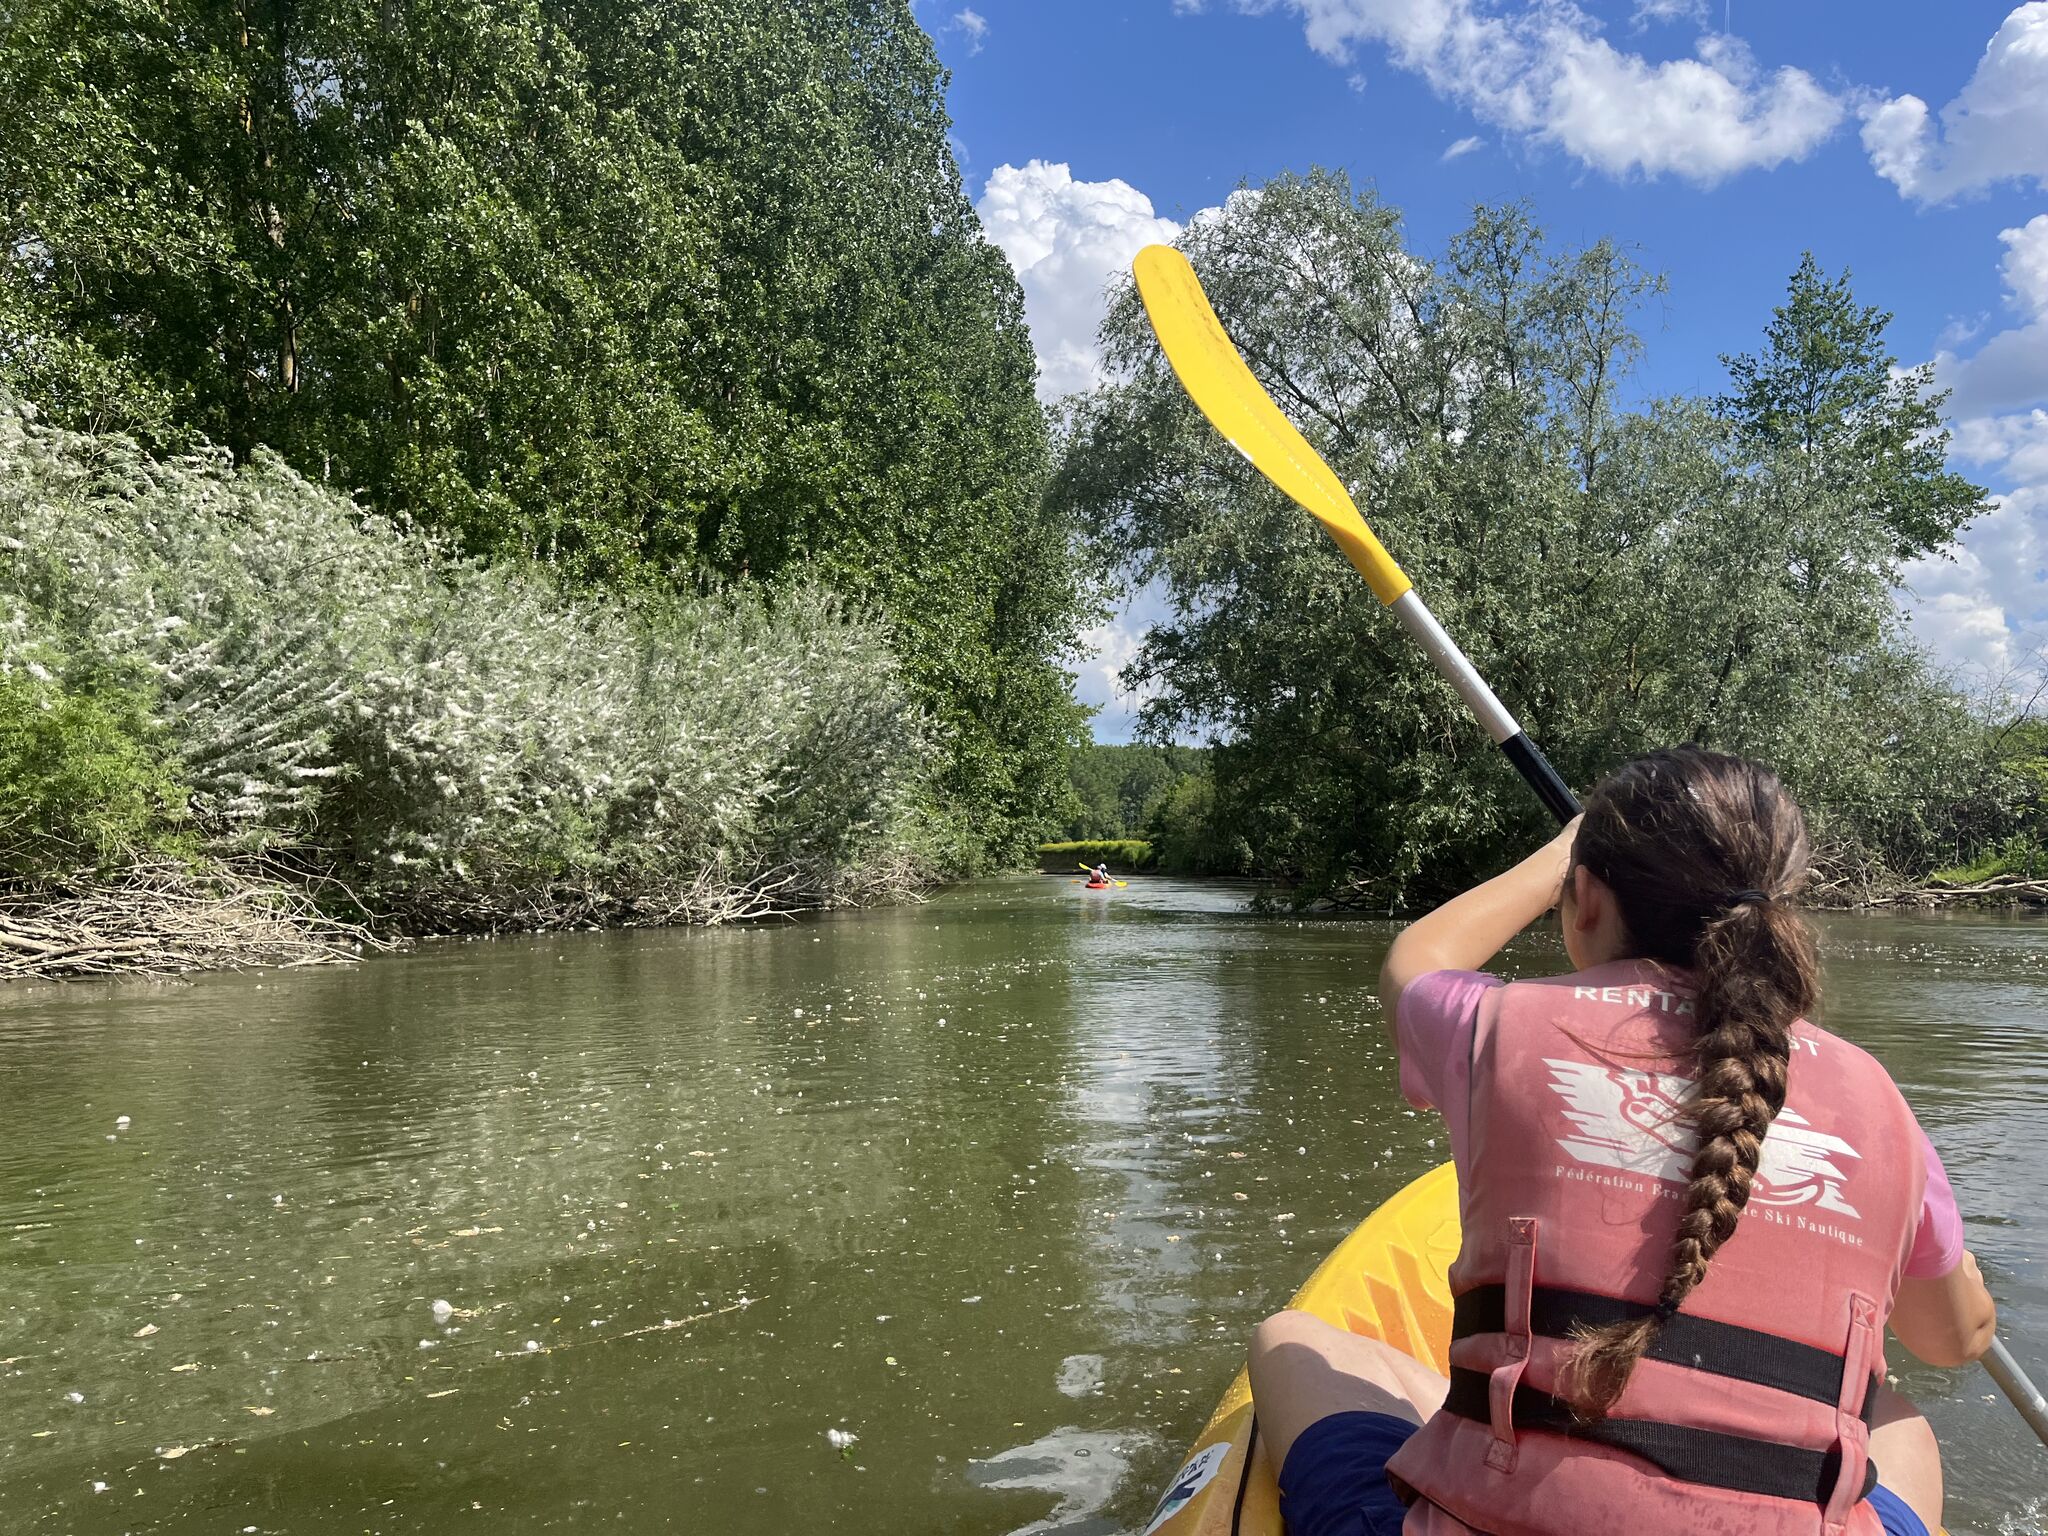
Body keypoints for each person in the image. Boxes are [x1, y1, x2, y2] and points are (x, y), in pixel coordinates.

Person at [1246, 747, 1997, 1536]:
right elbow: (1956, 1337)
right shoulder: (1881, 1104)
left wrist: (1557, 857)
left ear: (1588, 899)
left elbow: (1417, 960)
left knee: (1288, 1339)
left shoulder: (1493, 1030)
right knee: (1901, 1420)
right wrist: (1959, 1264)